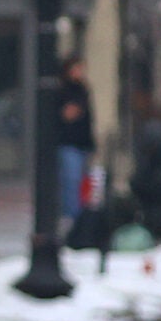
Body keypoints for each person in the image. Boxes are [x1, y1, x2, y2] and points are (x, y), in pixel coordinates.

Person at [54, 57, 95, 223]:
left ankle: (80, 218)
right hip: (68, 142)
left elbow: (88, 119)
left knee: (82, 184)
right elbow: (64, 115)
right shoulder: (63, 91)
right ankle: (72, 218)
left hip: (82, 142)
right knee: (71, 182)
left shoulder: (83, 90)